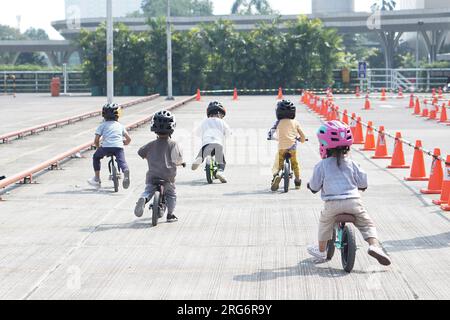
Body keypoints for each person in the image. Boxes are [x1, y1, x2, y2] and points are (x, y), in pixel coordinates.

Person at [306, 120, 391, 266]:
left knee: (324, 223)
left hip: (332, 204)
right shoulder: (352, 163)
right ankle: (374, 246)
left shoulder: (321, 165)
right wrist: (361, 187)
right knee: (366, 223)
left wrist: (311, 187)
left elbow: (314, 185)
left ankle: (321, 250)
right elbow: (363, 181)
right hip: (354, 202)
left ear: (324, 145)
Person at [134, 110, 184, 222]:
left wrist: (148, 157)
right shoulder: (173, 144)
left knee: (148, 190)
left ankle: (144, 198)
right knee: (171, 195)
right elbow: (178, 159)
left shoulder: (151, 144)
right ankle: (170, 215)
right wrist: (181, 163)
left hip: (153, 176)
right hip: (168, 178)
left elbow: (140, 152)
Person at [88, 103, 131, 189]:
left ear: (103, 115)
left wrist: (98, 147)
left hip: (106, 147)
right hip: (118, 147)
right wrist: (125, 143)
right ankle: (125, 170)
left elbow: (96, 140)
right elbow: (129, 139)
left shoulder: (102, 125)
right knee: (121, 161)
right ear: (118, 115)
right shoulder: (120, 126)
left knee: (96, 157)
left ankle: (97, 178)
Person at [268, 100, 306, 191]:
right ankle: (297, 182)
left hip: (281, 147)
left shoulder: (278, 122)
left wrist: (271, 137)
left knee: (279, 164)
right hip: (292, 147)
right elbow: (302, 135)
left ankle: (276, 176)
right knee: (295, 164)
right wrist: (302, 140)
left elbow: (271, 133)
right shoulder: (295, 122)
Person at [191, 101, 231, 183]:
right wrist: (225, 136)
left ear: (209, 113)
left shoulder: (204, 121)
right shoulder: (222, 122)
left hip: (206, 144)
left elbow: (197, 132)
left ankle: (198, 160)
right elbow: (228, 132)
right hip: (217, 144)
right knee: (221, 161)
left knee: (202, 154)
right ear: (220, 114)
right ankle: (220, 171)